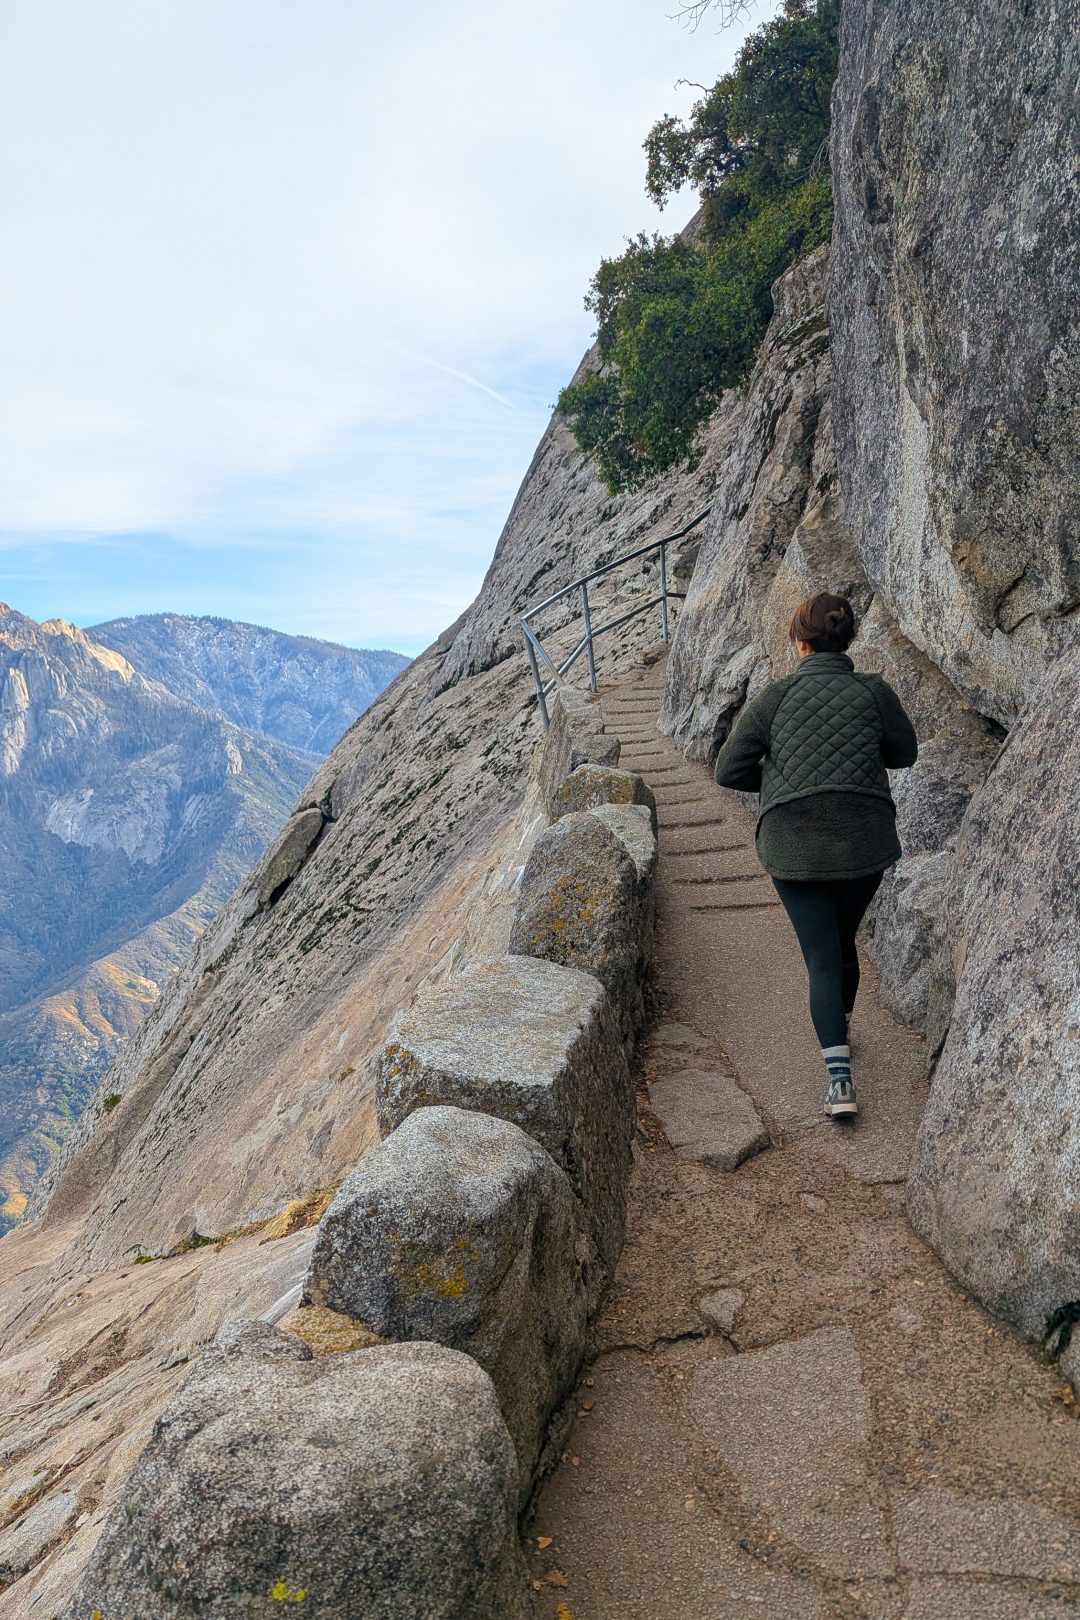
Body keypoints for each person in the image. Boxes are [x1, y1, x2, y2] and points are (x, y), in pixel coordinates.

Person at [712, 592, 918, 1119]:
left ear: (799, 642)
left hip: (793, 844)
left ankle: (840, 1081)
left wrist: (784, 778)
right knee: (842, 941)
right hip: (865, 839)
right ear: (846, 639)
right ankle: (840, 1028)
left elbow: (728, 770)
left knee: (821, 957)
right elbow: (904, 754)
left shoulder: (774, 699)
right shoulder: (874, 693)